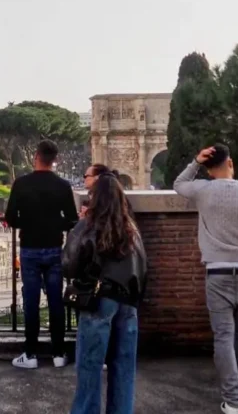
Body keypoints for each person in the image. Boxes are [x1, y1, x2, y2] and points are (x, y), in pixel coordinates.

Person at [174, 144, 238, 414]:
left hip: (217, 272)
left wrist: (195, 161)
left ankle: (232, 399)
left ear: (208, 167)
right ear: (231, 163)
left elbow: (179, 183)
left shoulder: (202, 189)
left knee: (224, 337)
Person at [63, 173, 147, 414]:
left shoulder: (88, 225)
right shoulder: (131, 227)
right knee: (123, 368)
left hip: (99, 300)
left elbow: (69, 264)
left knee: (90, 366)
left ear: (95, 198)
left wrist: (78, 228)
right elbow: (143, 269)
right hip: (128, 302)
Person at [6, 138, 79, 369]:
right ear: (54, 160)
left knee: (31, 302)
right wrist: (55, 224)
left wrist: (27, 221)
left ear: (36, 157)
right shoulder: (63, 185)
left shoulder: (21, 184)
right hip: (54, 248)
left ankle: (30, 354)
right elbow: (72, 220)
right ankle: (58, 353)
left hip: (29, 248)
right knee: (56, 301)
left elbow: (10, 217)